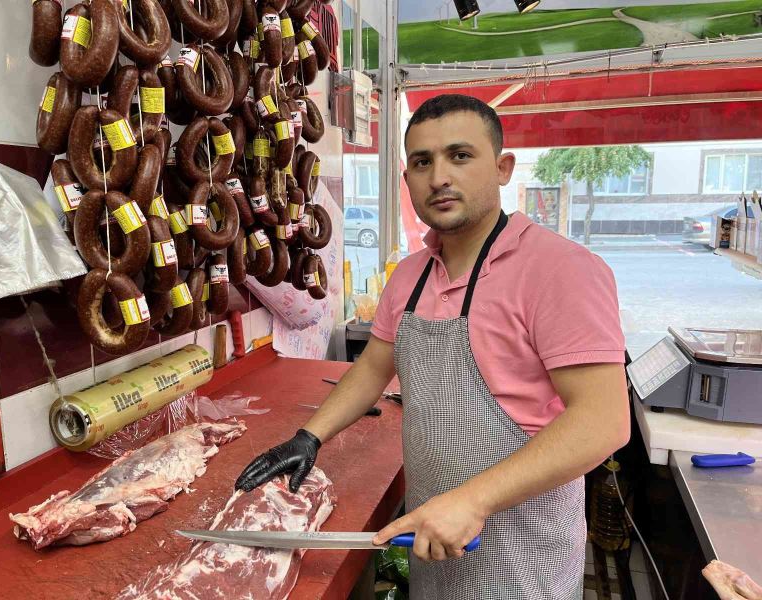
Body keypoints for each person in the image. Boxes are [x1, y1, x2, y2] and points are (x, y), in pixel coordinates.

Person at [235, 94, 630, 599]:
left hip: (523, 559)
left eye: (460, 156)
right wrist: (309, 437)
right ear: (407, 181)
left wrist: (473, 501)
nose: (439, 176)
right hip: (433, 541)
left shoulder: (562, 269)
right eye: (422, 162)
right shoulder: (410, 276)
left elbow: (603, 420)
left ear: (503, 167)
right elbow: (374, 367)